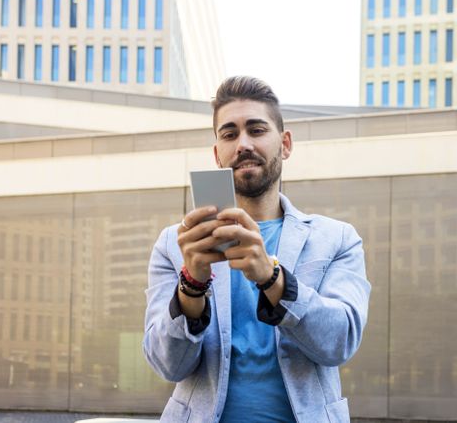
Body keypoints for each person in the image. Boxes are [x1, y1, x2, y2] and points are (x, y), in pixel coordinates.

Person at [143, 76, 371, 423]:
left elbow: (339, 343)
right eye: (229, 134)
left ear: (286, 143)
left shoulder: (337, 238)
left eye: (257, 129)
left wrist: (272, 277)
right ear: (217, 153)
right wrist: (191, 285)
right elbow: (167, 365)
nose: (243, 144)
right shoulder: (177, 244)